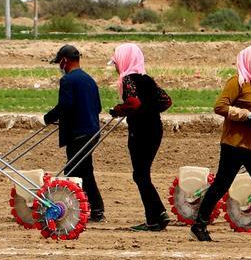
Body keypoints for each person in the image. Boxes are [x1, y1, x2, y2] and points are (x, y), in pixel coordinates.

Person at [191, 44, 251, 243]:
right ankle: (199, 224)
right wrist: (245, 115)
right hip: (234, 144)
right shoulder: (236, 82)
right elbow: (220, 107)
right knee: (221, 184)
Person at [107, 43, 173, 231]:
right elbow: (166, 101)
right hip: (155, 130)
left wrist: (119, 110)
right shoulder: (147, 79)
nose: (116, 67)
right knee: (142, 174)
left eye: (117, 63)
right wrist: (149, 109)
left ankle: (155, 217)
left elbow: (134, 103)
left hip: (141, 132)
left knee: (140, 175)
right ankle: (157, 215)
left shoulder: (128, 80)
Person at [43, 44, 105, 222]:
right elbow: (97, 107)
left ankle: (71, 210)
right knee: (85, 171)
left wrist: (48, 118)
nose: (59, 67)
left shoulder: (68, 81)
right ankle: (97, 209)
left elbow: (65, 106)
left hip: (78, 134)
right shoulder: (89, 79)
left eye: (59, 63)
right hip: (92, 132)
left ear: (64, 61)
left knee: (72, 172)